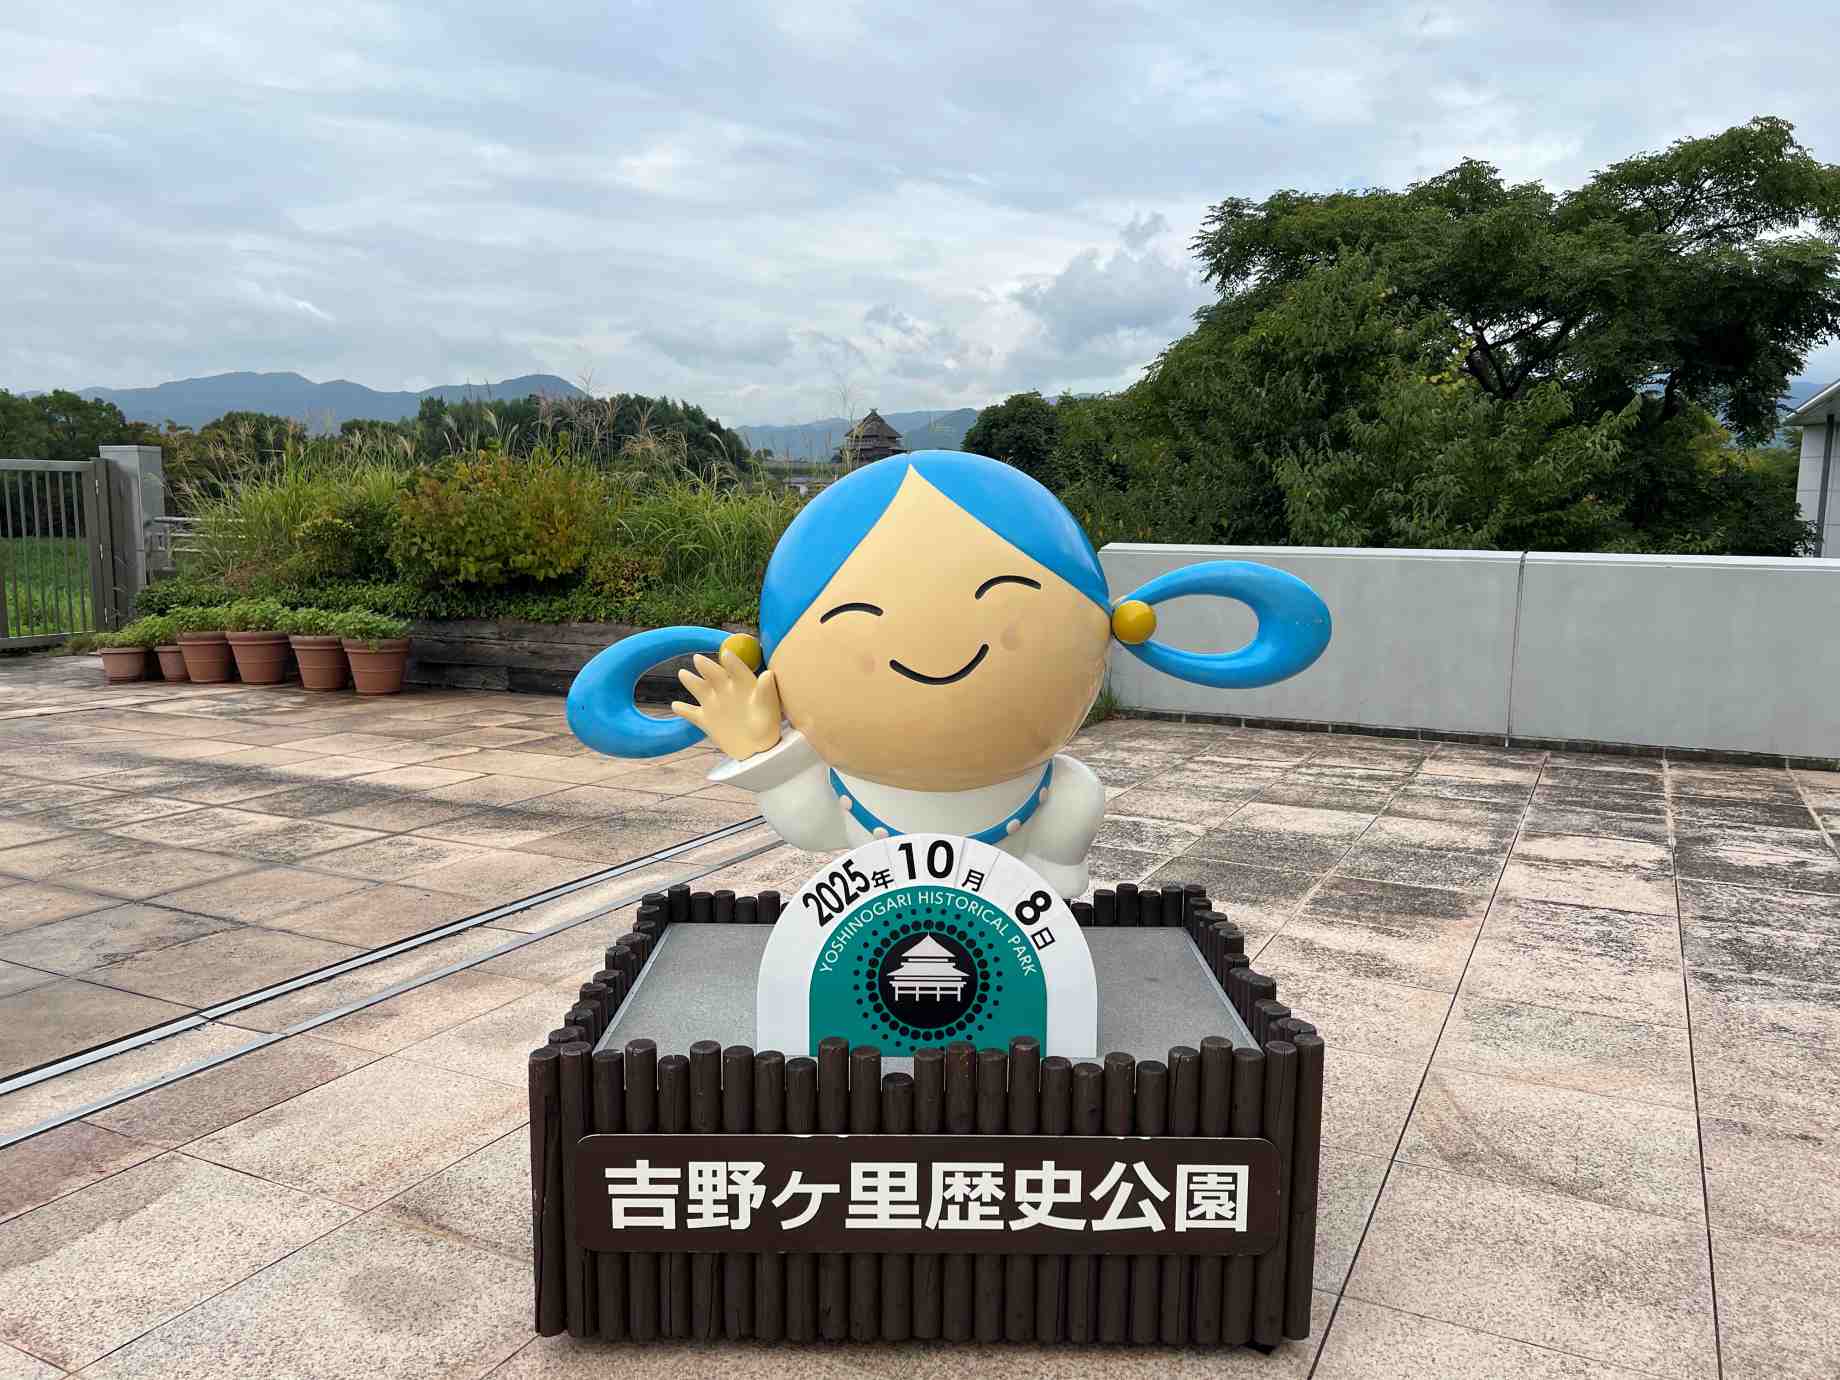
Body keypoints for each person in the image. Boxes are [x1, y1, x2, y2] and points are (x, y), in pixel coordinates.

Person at [567, 450, 1330, 896]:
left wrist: (1049, 881)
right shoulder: (849, 793)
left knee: (1075, 800)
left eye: (1001, 601)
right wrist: (754, 748)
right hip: (872, 919)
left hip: (1027, 885)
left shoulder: (1055, 793)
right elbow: (808, 826)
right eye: (860, 618)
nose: (934, 643)